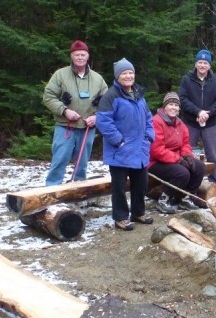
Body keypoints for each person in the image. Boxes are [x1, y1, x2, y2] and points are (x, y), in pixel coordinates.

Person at [96, 58, 155, 231]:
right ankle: (121, 217)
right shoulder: (111, 95)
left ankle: (138, 213)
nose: (128, 76)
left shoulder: (139, 94)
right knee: (119, 187)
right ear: (117, 76)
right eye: (124, 73)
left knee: (141, 183)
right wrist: (118, 141)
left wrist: (149, 137)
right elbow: (103, 121)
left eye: (131, 73)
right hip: (120, 150)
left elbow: (149, 118)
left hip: (140, 149)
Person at [42, 40, 108, 185]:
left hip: (87, 128)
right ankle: (51, 189)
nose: (80, 57)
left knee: (82, 164)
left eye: (83, 55)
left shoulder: (98, 79)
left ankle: (79, 190)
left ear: (88, 56)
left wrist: (97, 117)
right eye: (77, 55)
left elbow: (108, 103)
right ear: (71, 56)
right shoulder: (60, 75)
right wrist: (64, 111)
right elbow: (48, 97)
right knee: (59, 160)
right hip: (65, 126)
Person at [148, 92, 206, 213]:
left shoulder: (180, 123)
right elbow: (156, 150)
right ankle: (164, 200)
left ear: (179, 108)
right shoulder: (156, 122)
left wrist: (187, 156)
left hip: (175, 159)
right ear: (165, 106)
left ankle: (186, 197)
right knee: (182, 173)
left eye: (176, 105)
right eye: (171, 104)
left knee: (199, 167)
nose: (173, 107)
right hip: (155, 162)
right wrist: (178, 159)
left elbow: (185, 144)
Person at [178, 49, 216, 189]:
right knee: (186, 154)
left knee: (212, 155)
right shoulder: (187, 80)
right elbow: (183, 99)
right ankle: (186, 183)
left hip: (210, 123)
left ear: (209, 65)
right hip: (190, 123)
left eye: (205, 63)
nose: (202, 65)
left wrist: (208, 113)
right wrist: (198, 112)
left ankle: (215, 184)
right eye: (200, 62)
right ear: (196, 64)